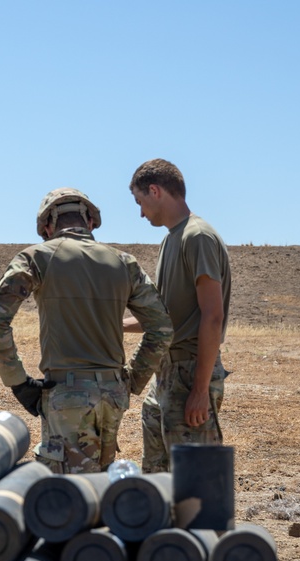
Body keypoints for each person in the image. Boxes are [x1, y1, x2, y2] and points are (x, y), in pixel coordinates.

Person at [0, 188, 172, 474]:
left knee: (69, 497)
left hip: (66, 395)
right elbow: (161, 326)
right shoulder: (124, 262)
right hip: (113, 395)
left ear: (47, 226)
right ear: (91, 222)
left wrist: (18, 381)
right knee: (101, 486)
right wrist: (134, 379)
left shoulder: (37, 257)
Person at [125, 158, 232, 472]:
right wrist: (113, 326)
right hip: (168, 375)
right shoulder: (171, 240)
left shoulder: (196, 237)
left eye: (140, 202)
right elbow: (165, 317)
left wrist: (199, 390)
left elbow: (212, 316)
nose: (141, 212)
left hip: (190, 373)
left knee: (195, 480)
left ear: (155, 191)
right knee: (159, 479)